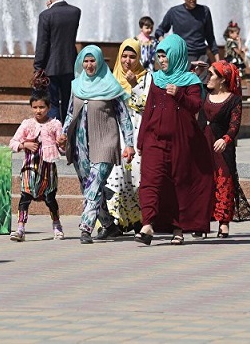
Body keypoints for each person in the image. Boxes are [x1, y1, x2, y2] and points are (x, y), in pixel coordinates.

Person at [135, 34, 215, 246]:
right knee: (150, 180)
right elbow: (149, 110)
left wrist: (179, 94)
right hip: (154, 138)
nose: (162, 60)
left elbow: (197, 105)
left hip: (182, 141)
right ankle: (147, 224)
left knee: (179, 184)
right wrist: (141, 139)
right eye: (159, 56)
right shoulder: (156, 79)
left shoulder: (191, 81)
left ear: (176, 55)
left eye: (166, 56)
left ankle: (178, 228)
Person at [57, 46, 135, 245]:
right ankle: (109, 225)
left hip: (105, 143)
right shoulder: (77, 85)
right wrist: (64, 134)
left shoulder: (111, 86)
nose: (89, 65)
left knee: (93, 186)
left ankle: (86, 228)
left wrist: (129, 144)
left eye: (93, 61)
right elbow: (68, 114)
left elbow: (124, 117)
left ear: (100, 62)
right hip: (80, 145)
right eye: (86, 61)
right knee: (90, 186)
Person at [198, 60, 250, 238]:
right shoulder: (204, 93)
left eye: (212, 74)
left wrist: (226, 139)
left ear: (222, 79)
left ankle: (223, 223)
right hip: (203, 144)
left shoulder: (233, 100)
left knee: (224, 181)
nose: (208, 77)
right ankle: (202, 221)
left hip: (222, 147)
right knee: (204, 181)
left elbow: (234, 125)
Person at [105, 38, 152, 235]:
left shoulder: (147, 78)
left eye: (132, 56)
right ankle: (115, 222)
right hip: (116, 134)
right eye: (124, 56)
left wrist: (134, 85)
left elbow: (146, 106)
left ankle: (138, 220)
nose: (127, 60)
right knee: (115, 176)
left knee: (136, 177)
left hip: (138, 131)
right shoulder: (111, 79)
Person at [8, 91, 65, 242]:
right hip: (29, 168)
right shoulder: (27, 124)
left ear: (49, 107)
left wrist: (62, 143)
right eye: (35, 107)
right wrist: (24, 144)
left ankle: (57, 225)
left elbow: (62, 148)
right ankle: (20, 228)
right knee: (24, 197)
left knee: (50, 199)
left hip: (47, 170)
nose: (38, 111)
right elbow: (12, 143)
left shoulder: (55, 124)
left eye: (41, 107)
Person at [34, 0, 82, 122]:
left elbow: (42, 44)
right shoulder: (75, 12)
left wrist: (37, 67)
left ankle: (55, 137)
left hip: (50, 67)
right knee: (69, 104)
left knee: (53, 104)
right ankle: (69, 138)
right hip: (70, 65)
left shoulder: (45, 15)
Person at [155, 0, 220, 71]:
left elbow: (210, 37)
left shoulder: (205, 11)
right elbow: (160, 31)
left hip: (202, 56)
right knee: (181, 84)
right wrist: (164, 44)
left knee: (202, 84)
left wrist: (218, 61)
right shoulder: (174, 12)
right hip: (181, 58)